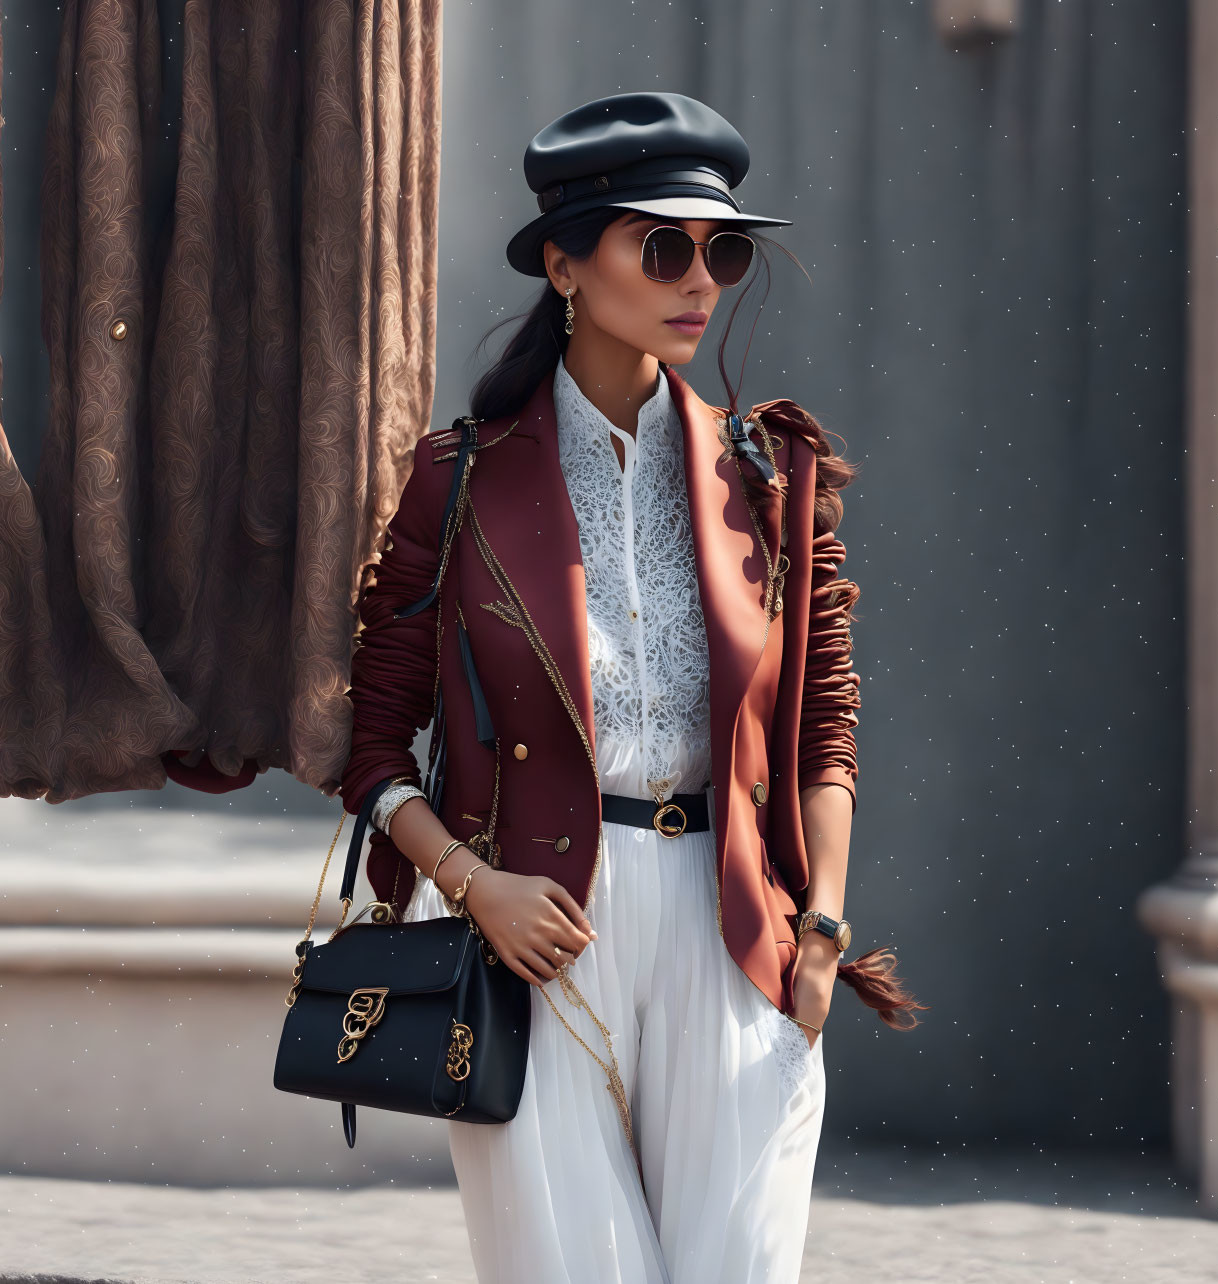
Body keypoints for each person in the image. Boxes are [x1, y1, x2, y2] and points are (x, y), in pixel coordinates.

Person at [339, 91, 923, 1284]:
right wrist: (474, 886)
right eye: (663, 247)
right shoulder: (457, 481)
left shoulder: (770, 471)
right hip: (538, 936)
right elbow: (374, 752)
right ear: (565, 264)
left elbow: (825, 729)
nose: (698, 279)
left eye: (723, 251)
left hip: (735, 931)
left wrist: (818, 936)